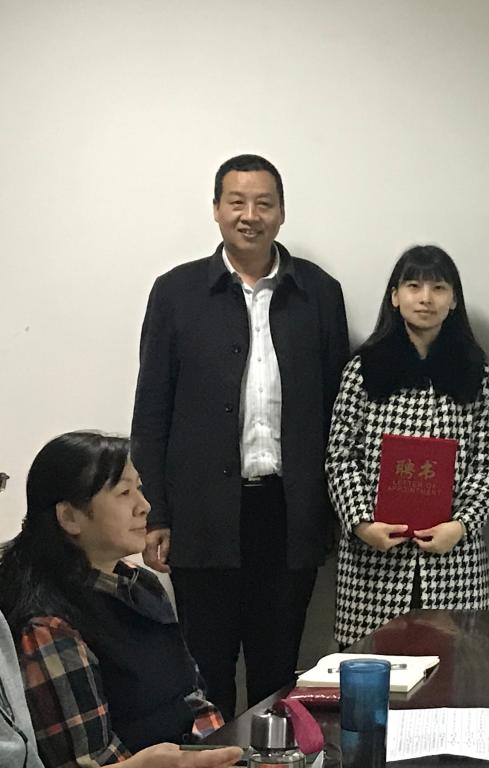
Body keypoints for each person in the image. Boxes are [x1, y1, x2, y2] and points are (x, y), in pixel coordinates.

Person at [130, 154, 349, 717]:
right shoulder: (176, 292)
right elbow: (151, 409)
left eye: (263, 203)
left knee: (279, 668)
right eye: (237, 202)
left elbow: (339, 407)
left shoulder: (319, 292)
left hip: (289, 512)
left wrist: (331, 511)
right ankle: (217, 755)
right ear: (216, 210)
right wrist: (155, 513)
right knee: (206, 667)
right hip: (201, 513)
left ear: (281, 213)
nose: (250, 215)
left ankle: (272, 755)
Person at [0, 432, 240, 768]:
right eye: (124, 493)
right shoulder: (49, 625)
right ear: (69, 517)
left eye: (139, 488)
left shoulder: (142, 584)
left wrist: (215, 750)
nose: (144, 506)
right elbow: (89, 759)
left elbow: (192, 696)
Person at [326, 245, 489, 647]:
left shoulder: (476, 372)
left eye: (438, 288)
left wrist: (461, 525)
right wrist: (362, 523)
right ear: (395, 296)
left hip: (454, 559)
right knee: (374, 667)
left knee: (453, 671)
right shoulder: (364, 368)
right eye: (413, 286)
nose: (426, 298)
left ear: (454, 300)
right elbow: (340, 456)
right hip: (374, 561)